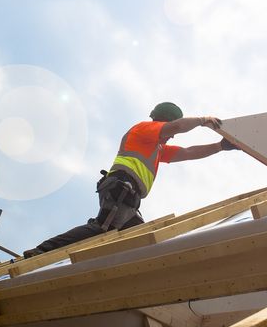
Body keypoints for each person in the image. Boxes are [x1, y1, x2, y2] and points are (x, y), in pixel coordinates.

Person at [22, 101, 239, 258]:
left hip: (130, 199)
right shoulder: (144, 130)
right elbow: (176, 128)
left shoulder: (157, 149)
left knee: (143, 243)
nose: (172, 136)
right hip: (120, 189)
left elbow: (188, 152)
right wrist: (203, 120)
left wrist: (220, 147)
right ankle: (42, 251)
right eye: (170, 129)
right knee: (102, 228)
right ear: (164, 121)